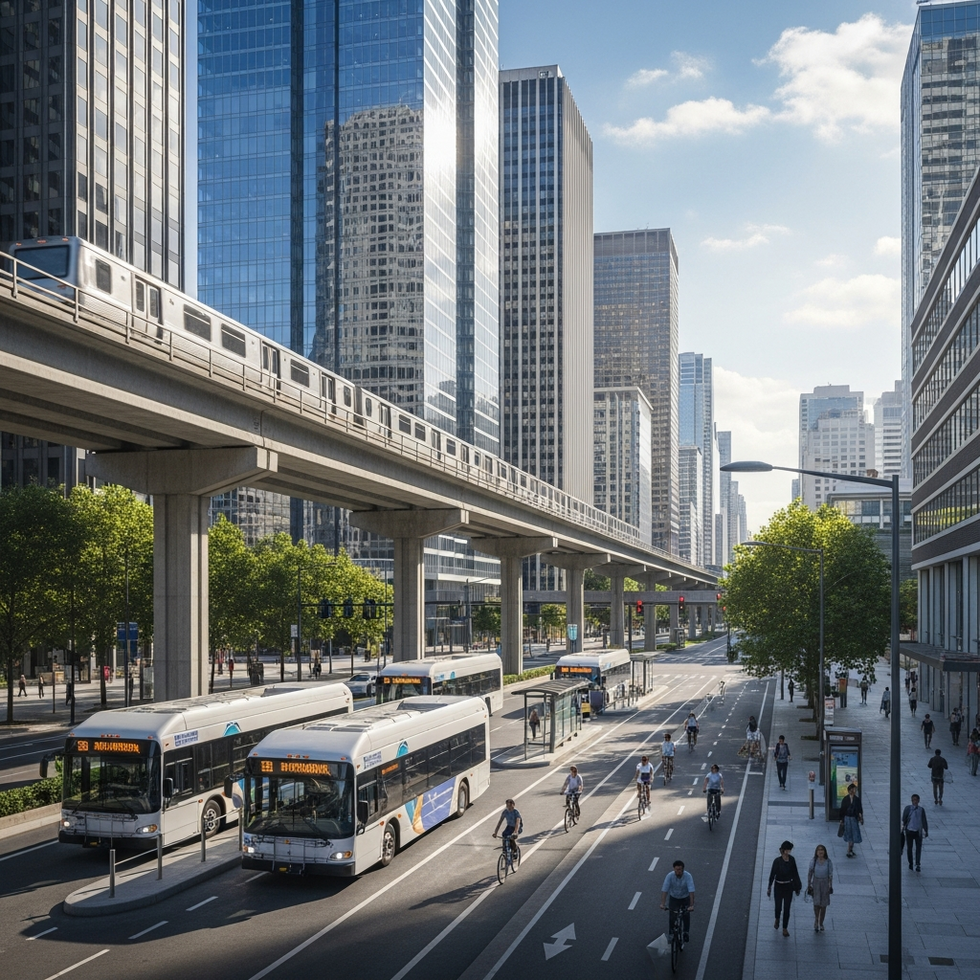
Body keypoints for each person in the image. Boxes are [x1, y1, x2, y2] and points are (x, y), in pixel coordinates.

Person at [767, 840, 802, 936]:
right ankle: (777, 918)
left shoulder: (792, 860)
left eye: (789, 850)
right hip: (778, 886)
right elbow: (772, 874)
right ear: (782, 850)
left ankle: (785, 928)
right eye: (786, 850)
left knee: (787, 908)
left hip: (788, 886)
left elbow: (795, 873)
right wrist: (769, 886)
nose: (788, 852)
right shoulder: (777, 861)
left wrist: (798, 886)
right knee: (778, 906)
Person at [660, 860, 695, 945]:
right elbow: (665, 890)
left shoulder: (688, 876)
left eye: (679, 870)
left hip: (685, 898)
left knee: (686, 915)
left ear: (683, 869)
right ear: (674, 869)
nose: (678, 871)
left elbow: (691, 891)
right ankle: (671, 934)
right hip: (674, 898)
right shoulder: (670, 876)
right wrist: (662, 904)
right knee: (672, 916)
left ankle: (686, 932)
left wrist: (691, 905)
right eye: (676, 870)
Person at [806, 844, 833, 932]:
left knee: (823, 905)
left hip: (825, 884)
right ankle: (816, 919)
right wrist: (809, 884)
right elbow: (810, 873)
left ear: (825, 852)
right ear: (816, 852)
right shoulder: (813, 861)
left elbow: (830, 875)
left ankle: (821, 923)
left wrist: (830, 886)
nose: (820, 852)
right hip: (816, 883)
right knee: (816, 904)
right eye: (819, 850)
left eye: (822, 850)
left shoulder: (828, 862)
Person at [901, 793, 928, 872]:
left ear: (918, 801)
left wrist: (926, 830)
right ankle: (910, 863)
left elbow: (924, 820)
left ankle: (918, 863)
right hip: (909, 830)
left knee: (918, 848)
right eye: (913, 800)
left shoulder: (921, 810)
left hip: (918, 831)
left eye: (916, 800)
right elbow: (904, 819)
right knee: (909, 848)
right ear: (911, 801)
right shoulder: (908, 808)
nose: (915, 801)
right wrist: (903, 828)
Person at [839, 783, 864, 857]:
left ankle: (850, 849)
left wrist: (860, 818)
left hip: (854, 818)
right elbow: (842, 810)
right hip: (847, 818)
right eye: (852, 790)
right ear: (849, 791)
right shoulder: (845, 799)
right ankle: (849, 850)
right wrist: (841, 819)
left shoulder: (857, 799)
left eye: (854, 790)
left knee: (854, 834)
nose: (853, 791)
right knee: (849, 834)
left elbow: (860, 809)